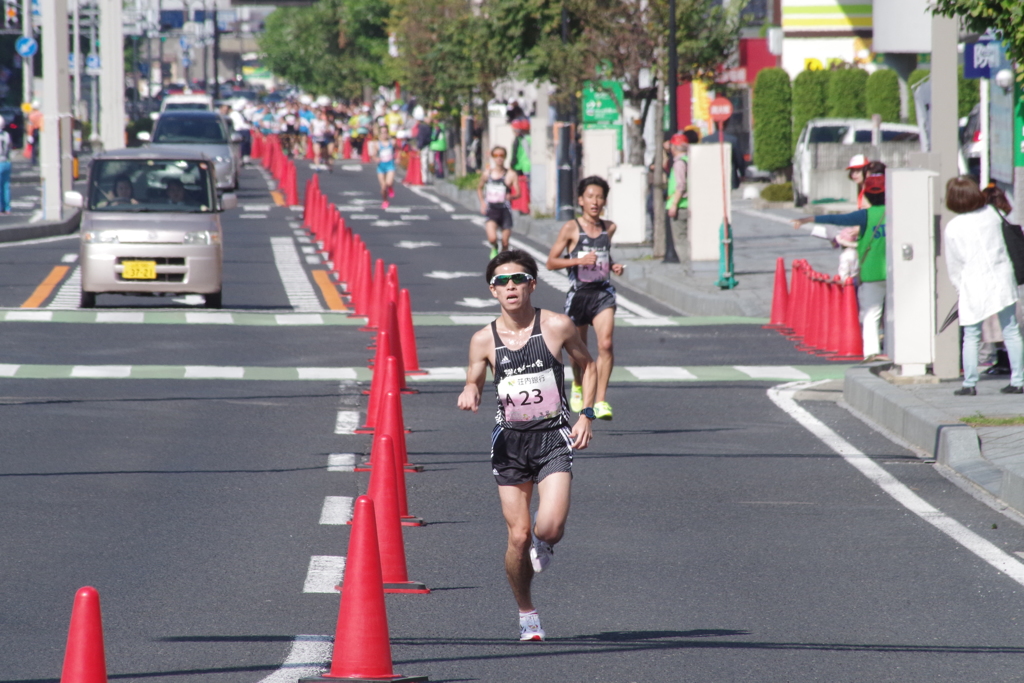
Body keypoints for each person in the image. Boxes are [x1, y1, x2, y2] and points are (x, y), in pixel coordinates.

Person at [457, 249, 597, 642]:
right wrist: (470, 389)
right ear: (493, 291)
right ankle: (527, 612)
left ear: (532, 284)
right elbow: (474, 377)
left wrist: (586, 413)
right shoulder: (483, 339)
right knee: (517, 536)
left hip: (553, 436)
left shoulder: (557, 326)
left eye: (518, 279)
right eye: (502, 282)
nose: (511, 286)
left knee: (548, 528)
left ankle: (544, 542)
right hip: (510, 443)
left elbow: (588, 364)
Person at [546, 176, 624, 420]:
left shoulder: (609, 227)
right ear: (581, 200)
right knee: (577, 350)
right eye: (590, 196)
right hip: (579, 295)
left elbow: (602, 255)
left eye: (600, 197)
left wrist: (613, 266)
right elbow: (551, 262)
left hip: (602, 294)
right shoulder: (571, 228)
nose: (595, 201)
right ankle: (578, 385)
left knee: (606, 344)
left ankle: (600, 401)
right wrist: (578, 261)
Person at [792, 165, 887, 360]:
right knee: (894, 314)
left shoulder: (865, 215)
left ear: (867, 194)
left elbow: (836, 219)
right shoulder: (896, 213)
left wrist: (807, 219)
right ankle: (896, 351)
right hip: (895, 272)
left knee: (871, 314)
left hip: (870, 272)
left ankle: (872, 353)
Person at [944, 176, 1024, 395]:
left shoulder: (953, 227)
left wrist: (959, 288)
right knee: (1011, 330)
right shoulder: (992, 214)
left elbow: (954, 264)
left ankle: (970, 384)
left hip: (973, 282)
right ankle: (1018, 380)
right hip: (1002, 277)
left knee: (972, 335)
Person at [477, 146, 520, 259]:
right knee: (492, 238)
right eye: (496, 156)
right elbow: (479, 188)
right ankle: (494, 246)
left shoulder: (511, 174)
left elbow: (518, 193)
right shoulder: (488, 173)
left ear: (505, 157)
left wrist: (511, 196)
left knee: (505, 242)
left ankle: (502, 262)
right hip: (491, 208)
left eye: (501, 155)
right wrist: (482, 203)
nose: (499, 158)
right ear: (493, 157)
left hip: (505, 209)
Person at [664, 131, 697, 260]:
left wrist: (673, 205)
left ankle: (687, 265)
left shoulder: (679, 163)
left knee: (681, 240)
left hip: (680, 205)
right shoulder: (690, 160)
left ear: (674, 148)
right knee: (690, 239)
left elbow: (680, 186)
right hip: (689, 203)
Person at [370, 127, 396, 209]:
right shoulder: (377, 144)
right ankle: (385, 200)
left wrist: (397, 158)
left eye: (385, 132)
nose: (384, 134)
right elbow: (373, 155)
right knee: (383, 187)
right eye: (382, 133)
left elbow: (398, 150)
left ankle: (390, 187)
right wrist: (376, 158)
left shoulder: (392, 142)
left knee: (388, 183)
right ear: (379, 135)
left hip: (390, 165)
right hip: (381, 166)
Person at [0, 116, 11, 214]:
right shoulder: (6, 135)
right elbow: (9, 147)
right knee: (6, 186)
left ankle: (0, 208)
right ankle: (7, 208)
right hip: (6, 161)